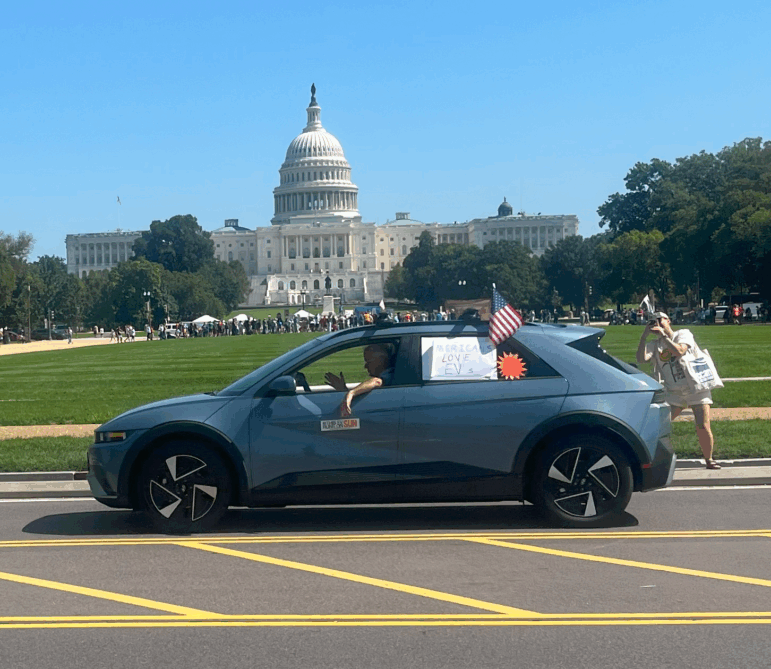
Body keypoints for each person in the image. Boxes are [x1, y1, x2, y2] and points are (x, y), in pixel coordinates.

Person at [637, 312, 720, 469]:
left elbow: (680, 351)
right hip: (674, 391)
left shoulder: (683, 334)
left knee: (702, 425)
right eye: (653, 321)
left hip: (695, 388)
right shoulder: (655, 345)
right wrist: (644, 336)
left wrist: (665, 337)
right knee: (660, 423)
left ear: (669, 321)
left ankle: (709, 459)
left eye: (660, 320)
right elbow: (641, 359)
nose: (658, 323)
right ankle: (652, 458)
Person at [324, 343, 395, 417]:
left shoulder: (389, 374)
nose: (365, 366)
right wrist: (343, 389)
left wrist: (351, 393)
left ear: (381, 360)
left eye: (368, 361)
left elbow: (377, 381)